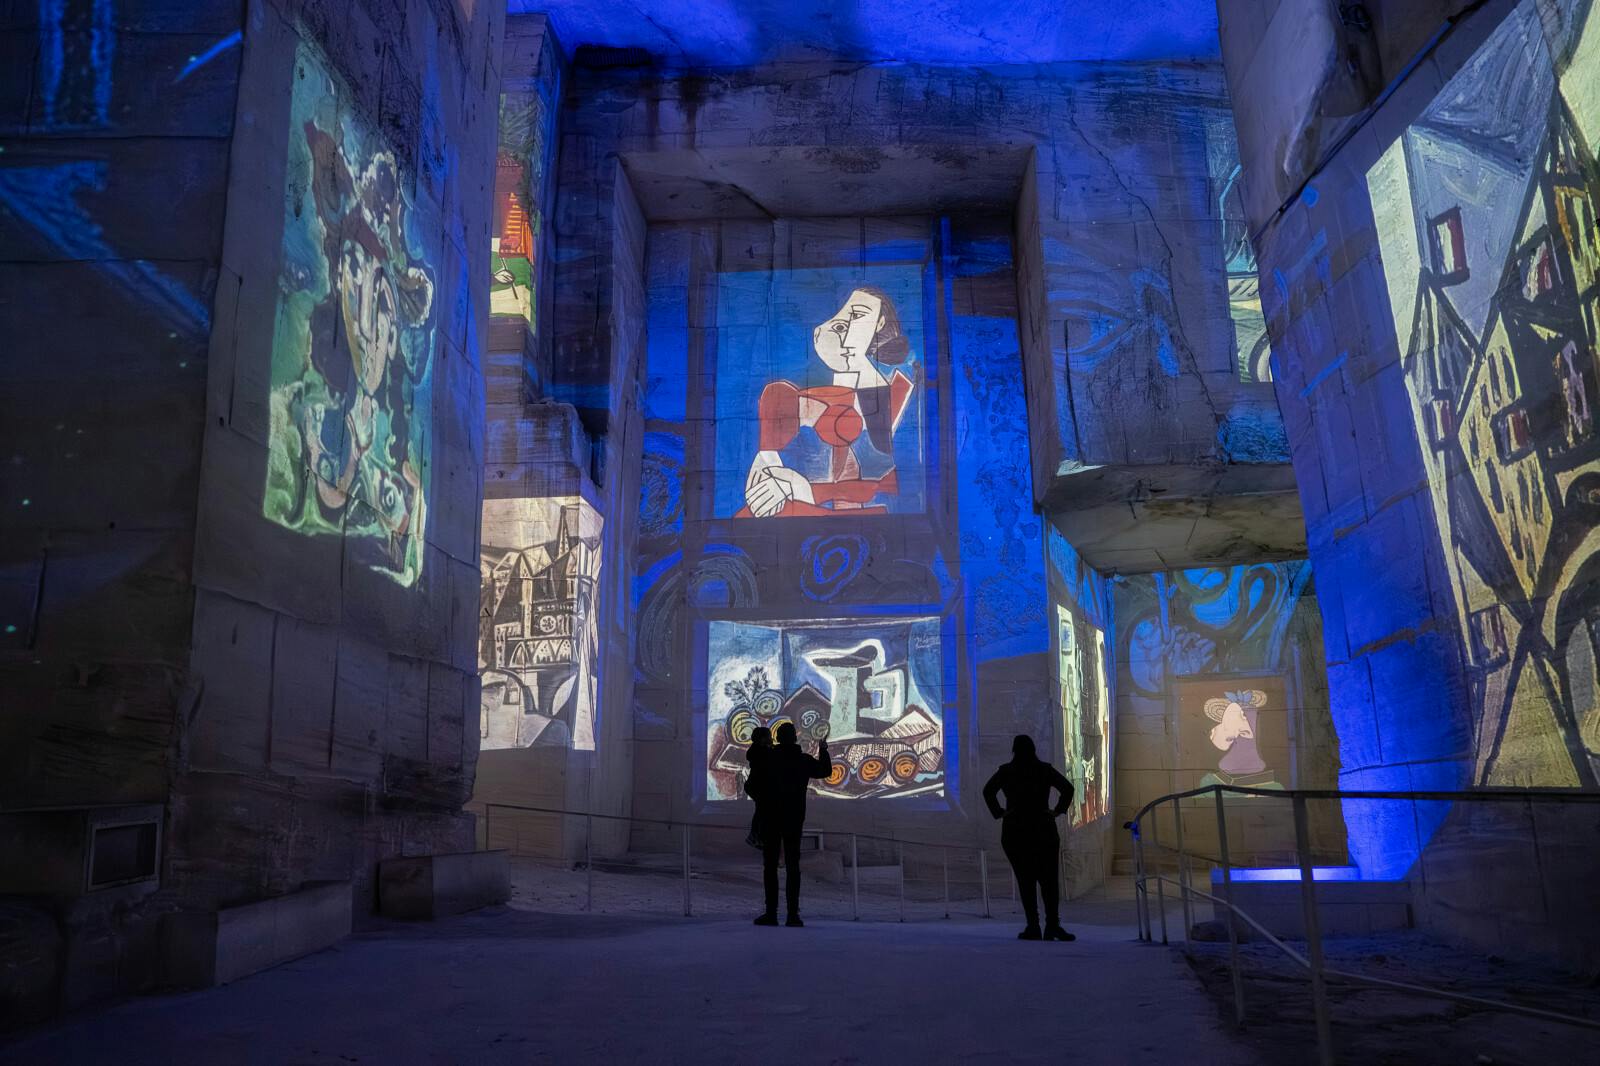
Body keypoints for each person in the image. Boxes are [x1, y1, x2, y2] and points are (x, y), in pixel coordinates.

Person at [738, 286, 916, 518]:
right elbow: (778, 401)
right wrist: (767, 461)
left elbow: (894, 482)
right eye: (835, 320)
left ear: (880, 322)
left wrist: (805, 490)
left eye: (857, 314)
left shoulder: (900, 394)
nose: (842, 327)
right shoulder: (805, 398)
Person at [983, 735, 1075, 942]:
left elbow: (987, 791)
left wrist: (1000, 812)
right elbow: (1068, 788)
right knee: (1049, 881)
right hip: (1043, 828)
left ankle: (1032, 926)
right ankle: (1052, 926)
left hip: (1015, 830)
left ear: (1014, 749)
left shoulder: (1006, 771)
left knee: (1026, 881)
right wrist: (1057, 811)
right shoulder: (1044, 769)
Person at [754, 722, 832, 927]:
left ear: (778, 738)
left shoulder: (768, 759)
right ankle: (792, 914)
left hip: (771, 818)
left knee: (770, 867)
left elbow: (752, 783)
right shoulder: (803, 760)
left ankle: (771, 913)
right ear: (795, 739)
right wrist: (823, 750)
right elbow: (825, 770)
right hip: (794, 818)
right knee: (793, 866)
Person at [744, 726, 773, 849]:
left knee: (762, 809)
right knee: (763, 809)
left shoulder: (757, 750)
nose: (771, 739)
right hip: (758, 786)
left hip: (755, 786)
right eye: (769, 736)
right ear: (762, 739)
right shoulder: (762, 752)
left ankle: (757, 836)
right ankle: (756, 836)